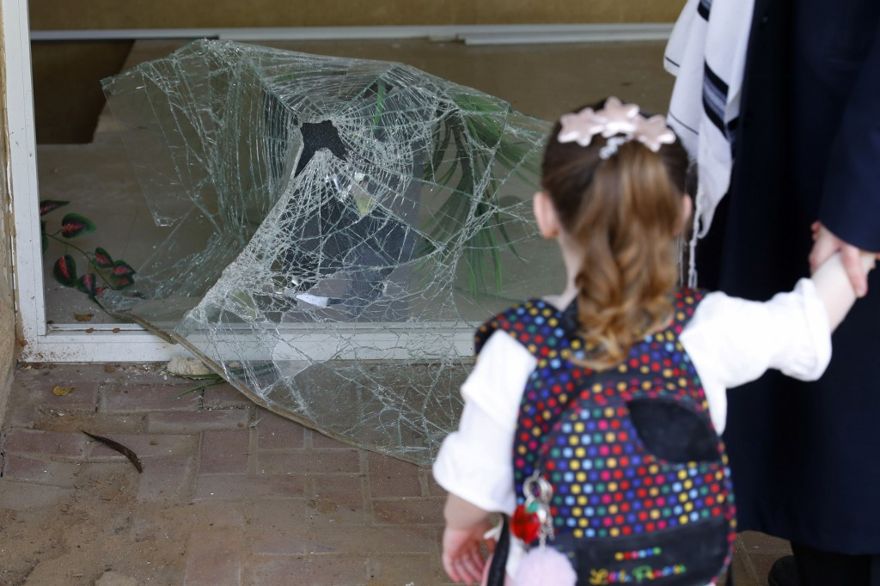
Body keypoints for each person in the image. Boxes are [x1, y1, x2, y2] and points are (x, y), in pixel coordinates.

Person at [431, 97, 875, 585]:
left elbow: (473, 485)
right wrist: (859, 241)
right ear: (681, 214)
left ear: (546, 214)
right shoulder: (705, 328)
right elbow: (806, 322)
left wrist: (461, 531)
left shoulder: (518, 349)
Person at [690, 1, 880, 584]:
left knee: (848, 399)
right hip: (801, 94)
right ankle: (827, 557)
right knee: (822, 403)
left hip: (853, 139)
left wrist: (863, 204)